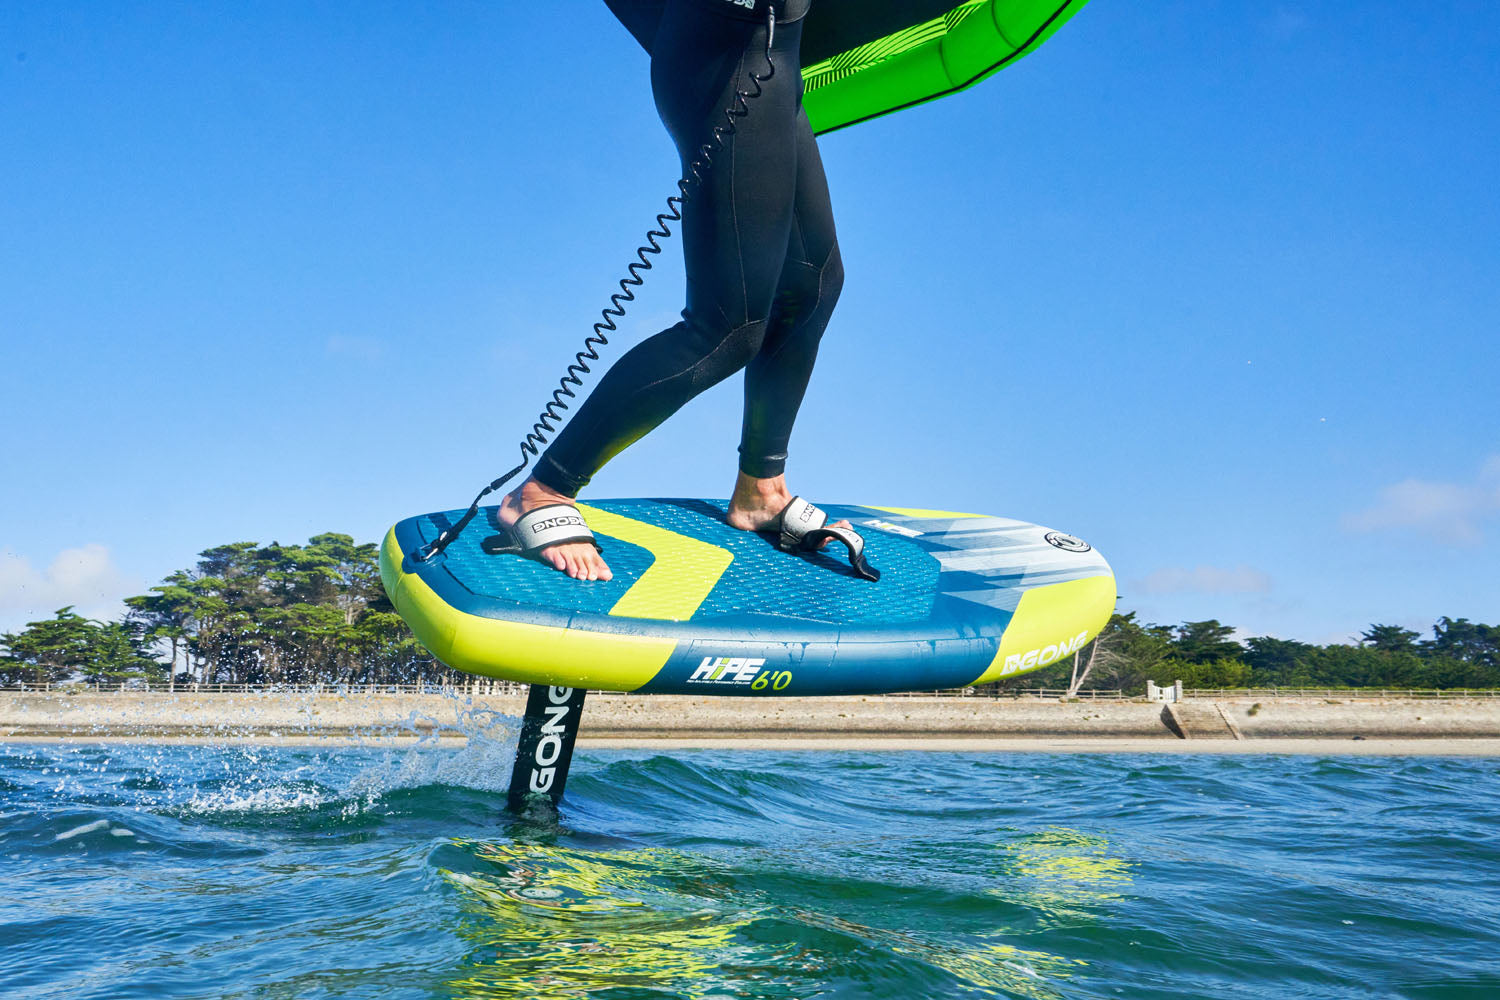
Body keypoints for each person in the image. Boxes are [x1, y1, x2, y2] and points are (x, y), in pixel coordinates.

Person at [496, 0, 859, 581]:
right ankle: (541, 491)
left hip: (776, 45)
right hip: (726, 47)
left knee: (814, 283)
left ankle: (760, 490)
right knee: (726, 326)